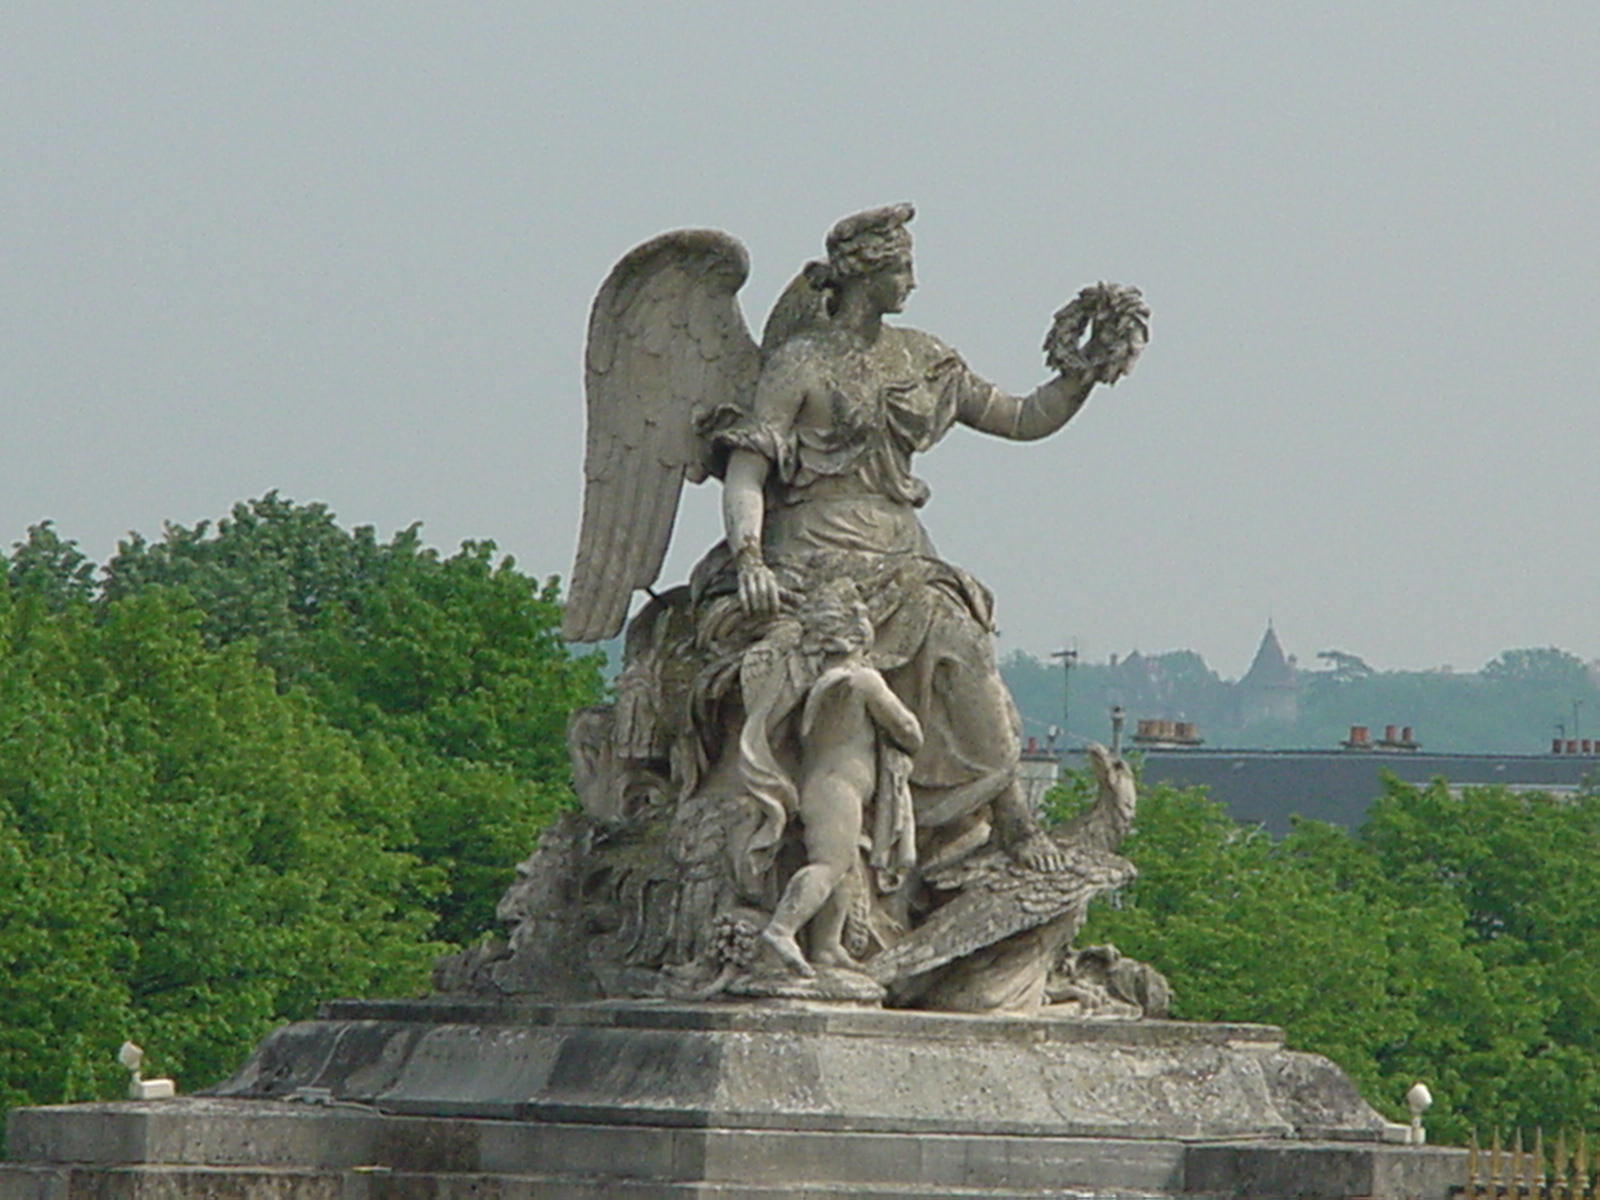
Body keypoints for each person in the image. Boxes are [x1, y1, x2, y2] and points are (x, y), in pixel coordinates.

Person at [705, 202, 1096, 875]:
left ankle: (1007, 816)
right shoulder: (800, 363)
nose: (913, 283)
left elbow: (1022, 418)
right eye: (903, 269)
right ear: (867, 274)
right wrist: (748, 559)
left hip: (902, 551)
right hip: (810, 554)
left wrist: (1081, 373)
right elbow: (747, 471)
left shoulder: (924, 358)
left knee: (966, 641)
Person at [758, 580, 922, 976]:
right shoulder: (861, 681)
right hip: (837, 789)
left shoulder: (815, 683)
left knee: (845, 870)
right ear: (854, 631)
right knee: (829, 865)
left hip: (824, 786)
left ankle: (827, 947)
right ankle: (782, 928)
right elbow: (909, 731)